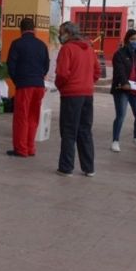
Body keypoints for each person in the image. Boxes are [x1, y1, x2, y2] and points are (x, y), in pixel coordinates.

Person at [54, 22, 101, 176]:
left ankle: (66, 167)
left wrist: (61, 86)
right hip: (87, 94)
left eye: (61, 32)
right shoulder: (89, 48)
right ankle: (89, 168)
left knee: (68, 131)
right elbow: (97, 71)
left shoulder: (67, 49)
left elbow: (62, 73)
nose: (60, 35)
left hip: (71, 94)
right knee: (85, 130)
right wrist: (87, 83)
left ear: (68, 33)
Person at [6, 17, 50, 157]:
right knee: (33, 117)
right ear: (34, 29)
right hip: (39, 85)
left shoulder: (17, 44)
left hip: (24, 85)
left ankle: (21, 149)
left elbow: (11, 66)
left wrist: (17, 81)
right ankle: (31, 148)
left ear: (21, 29)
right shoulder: (42, 45)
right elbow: (46, 65)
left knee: (21, 117)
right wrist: (39, 77)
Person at [110, 29, 136, 152]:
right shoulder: (120, 54)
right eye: (132, 39)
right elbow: (119, 71)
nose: (135, 42)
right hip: (123, 89)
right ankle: (115, 141)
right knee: (120, 115)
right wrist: (125, 83)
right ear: (127, 40)